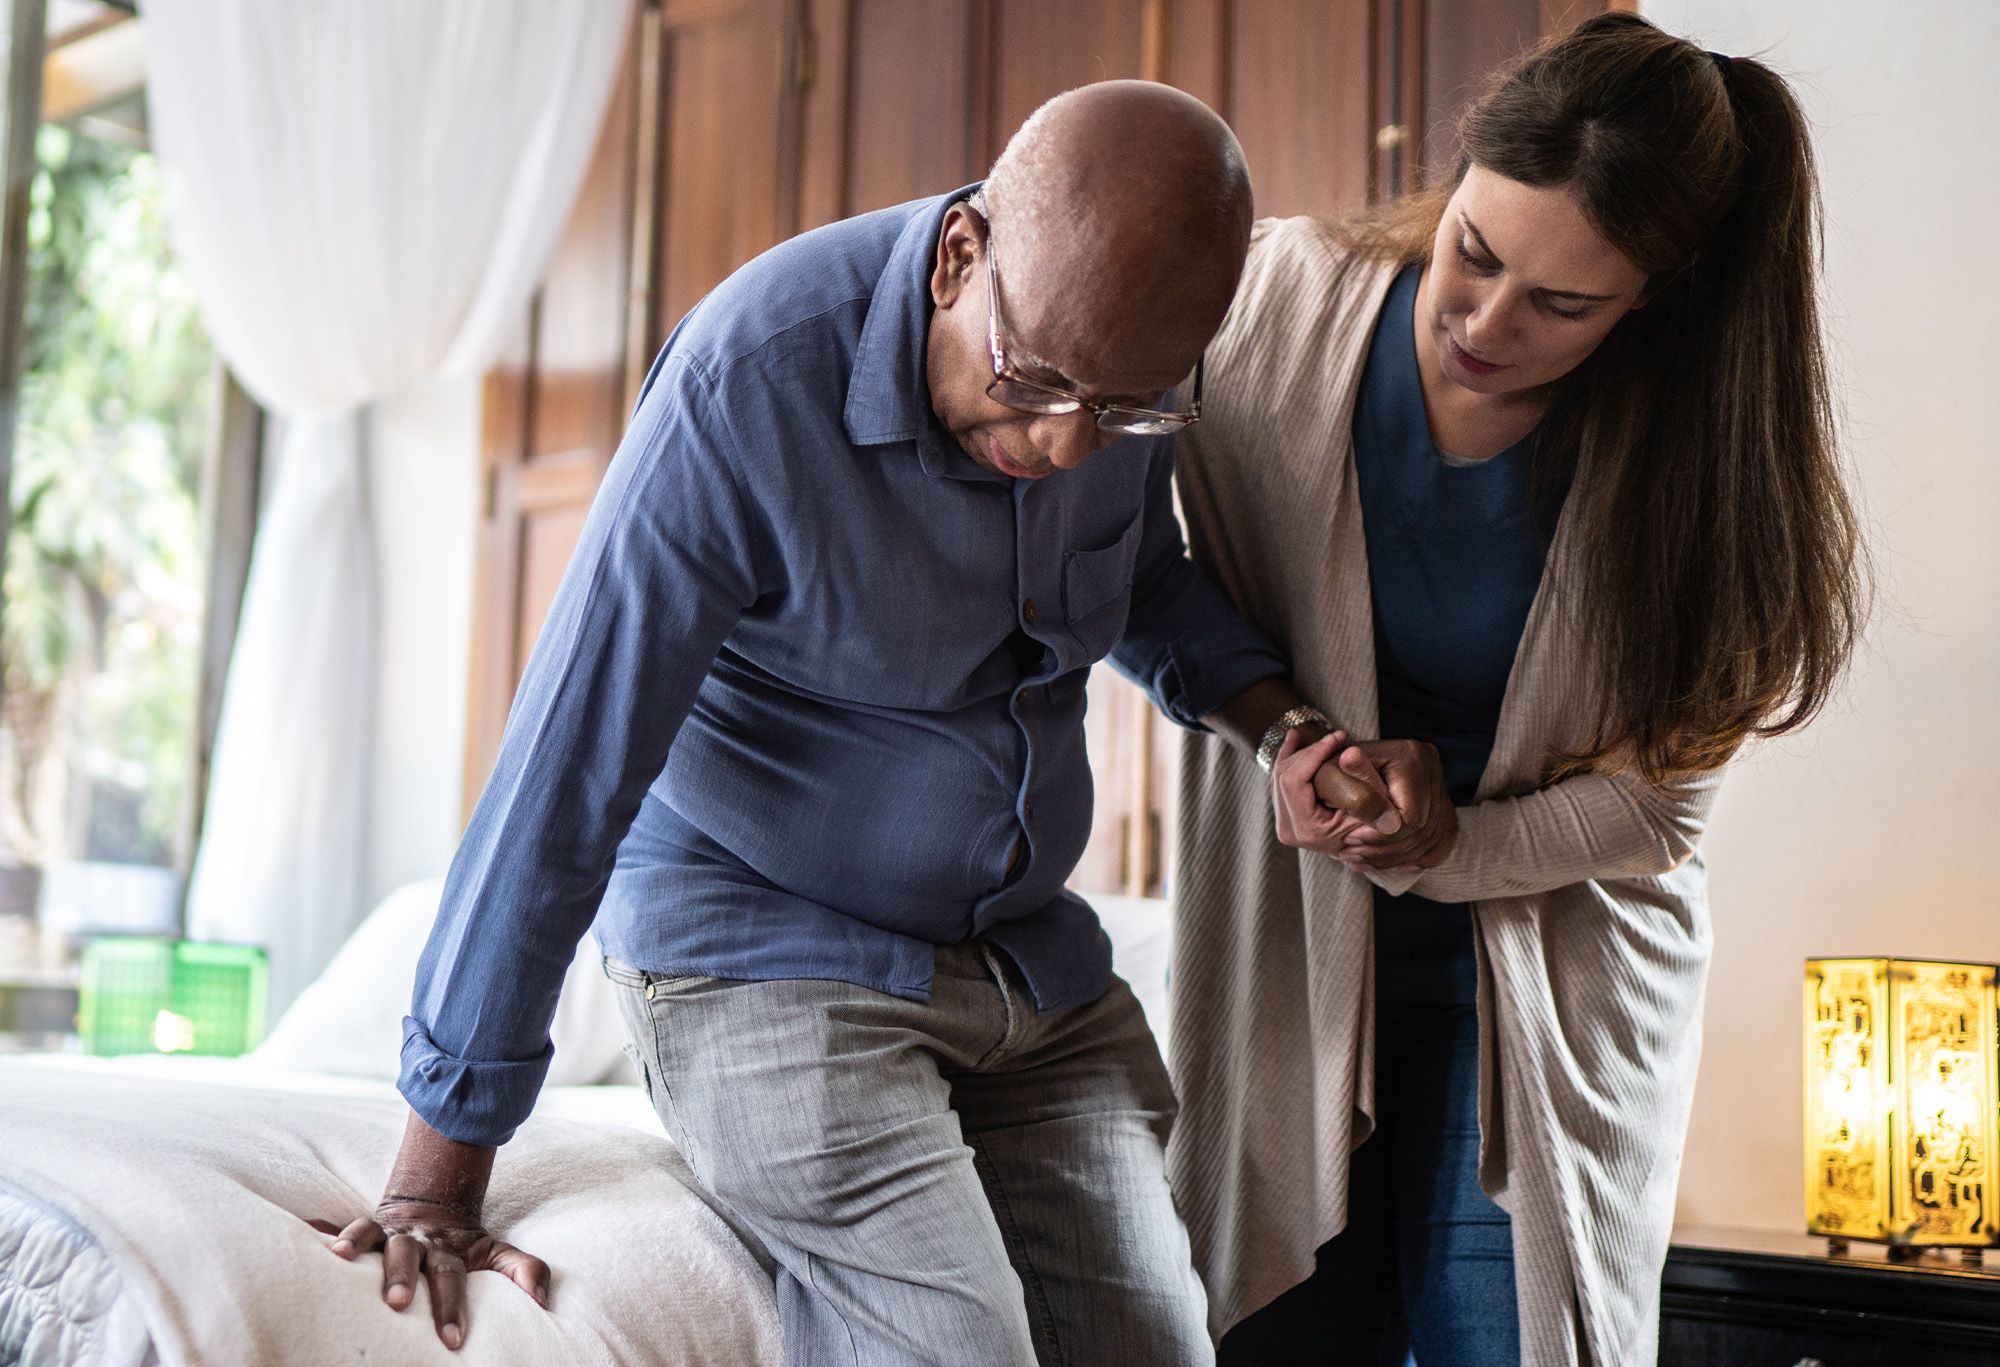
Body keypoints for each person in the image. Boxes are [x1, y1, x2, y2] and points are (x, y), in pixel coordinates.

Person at [311, 81, 1397, 1366]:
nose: (1062, 443)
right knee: (963, 1348)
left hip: (1027, 970)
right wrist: (439, 1174)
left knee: (1161, 1343)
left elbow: (1138, 578)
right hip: (766, 951)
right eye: (1037, 382)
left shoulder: (1109, 368)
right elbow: (568, 766)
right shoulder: (744, 388)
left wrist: (1279, 729)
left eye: (1118, 409)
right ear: (958, 256)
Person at [1164, 15, 1867, 1367]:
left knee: (1519, 1334)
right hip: (1291, 955)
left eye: (1562, 304)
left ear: (1656, 297)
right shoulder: (1273, 304)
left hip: (1558, 991)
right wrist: (1281, 731)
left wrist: (1449, 844)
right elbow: (1133, 580)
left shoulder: (1706, 461)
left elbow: (1661, 806)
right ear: (1457, 181)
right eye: (1473, 253)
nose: (1482, 321)